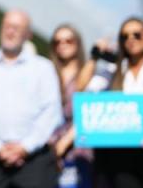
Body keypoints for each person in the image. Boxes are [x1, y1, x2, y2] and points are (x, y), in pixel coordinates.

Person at [0, 9, 62, 188]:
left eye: (17, 28)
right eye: (7, 26)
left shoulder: (43, 68)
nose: (10, 31)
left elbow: (51, 112)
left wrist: (24, 148)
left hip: (35, 163)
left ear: (28, 34)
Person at [88, 17, 143, 188]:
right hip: (117, 156)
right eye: (125, 36)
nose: (131, 39)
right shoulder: (112, 70)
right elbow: (84, 90)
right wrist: (95, 55)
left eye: (136, 35)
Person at [47, 24, 92, 188]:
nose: (63, 44)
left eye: (68, 40)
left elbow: (89, 114)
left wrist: (62, 145)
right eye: (57, 41)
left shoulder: (89, 74)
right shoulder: (48, 74)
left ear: (78, 43)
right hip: (50, 152)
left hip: (80, 152)